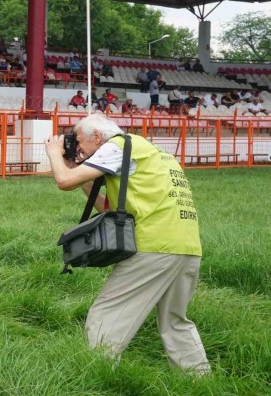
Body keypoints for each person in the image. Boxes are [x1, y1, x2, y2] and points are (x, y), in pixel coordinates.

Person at [44, 114, 210, 374]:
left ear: (97, 137)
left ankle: (95, 376)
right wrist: (80, 173)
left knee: (105, 316)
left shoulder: (116, 146)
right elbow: (107, 209)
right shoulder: (149, 151)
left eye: (79, 142)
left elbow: (63, 181)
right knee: (175, 322)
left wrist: (55, 153)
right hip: (187, 246)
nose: (78, 150)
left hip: (153, 246)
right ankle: (199, 381)